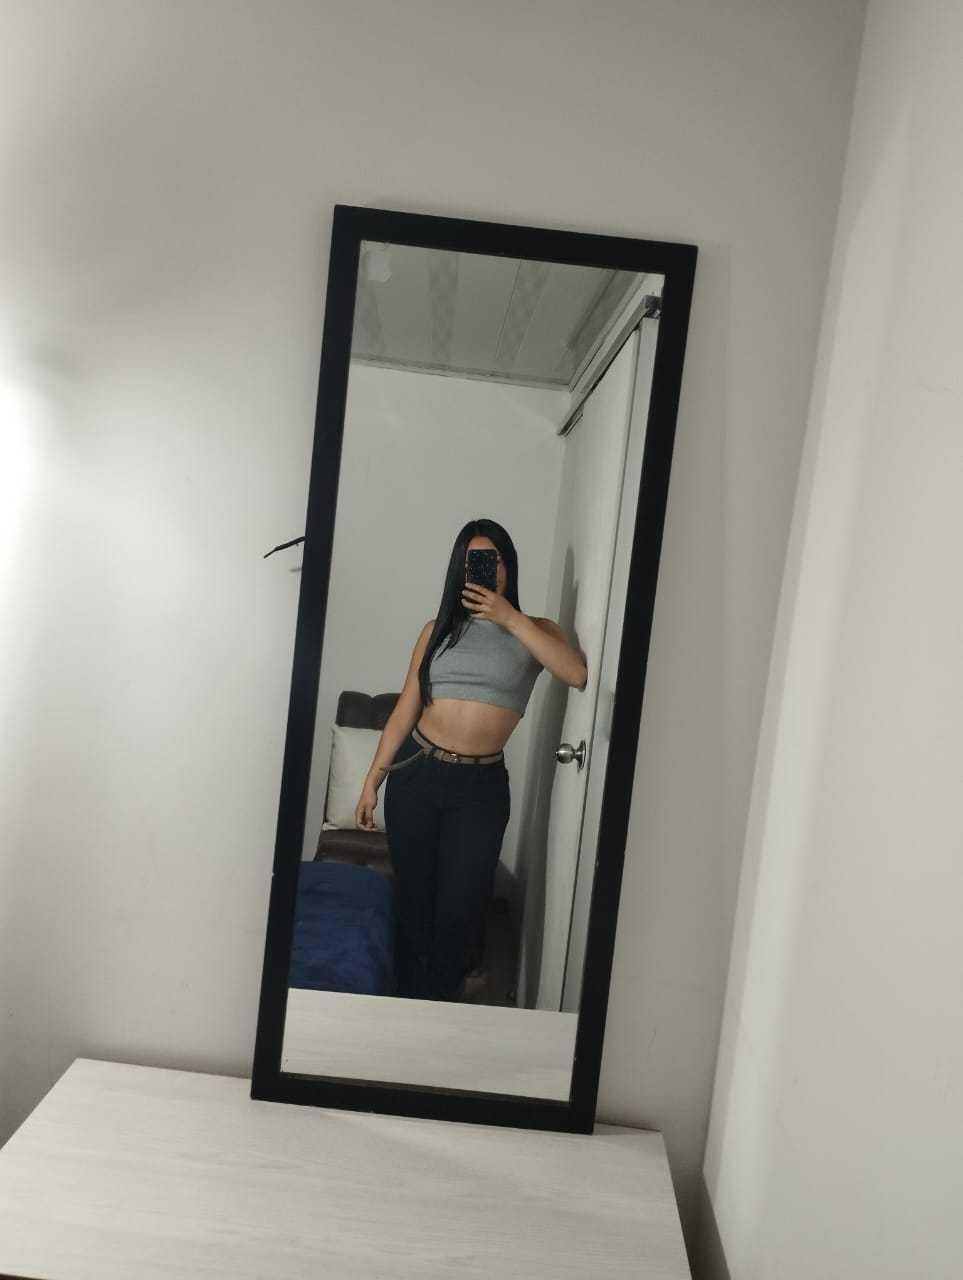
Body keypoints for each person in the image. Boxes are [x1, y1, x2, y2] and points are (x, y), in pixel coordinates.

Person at [354, 518, 588, 1001]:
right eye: (473, 561)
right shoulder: (436, 631)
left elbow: (576, 673)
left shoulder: (535, 630)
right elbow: (405, 710)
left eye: (493, 559)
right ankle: (406, 1009)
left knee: (460, 911)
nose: (485, 569)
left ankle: (437, 1012)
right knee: (414, 906)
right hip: (417, 775)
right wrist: (372, 781)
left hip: (480, 790)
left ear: (508, 565)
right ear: (459, 571)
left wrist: (509, 618)